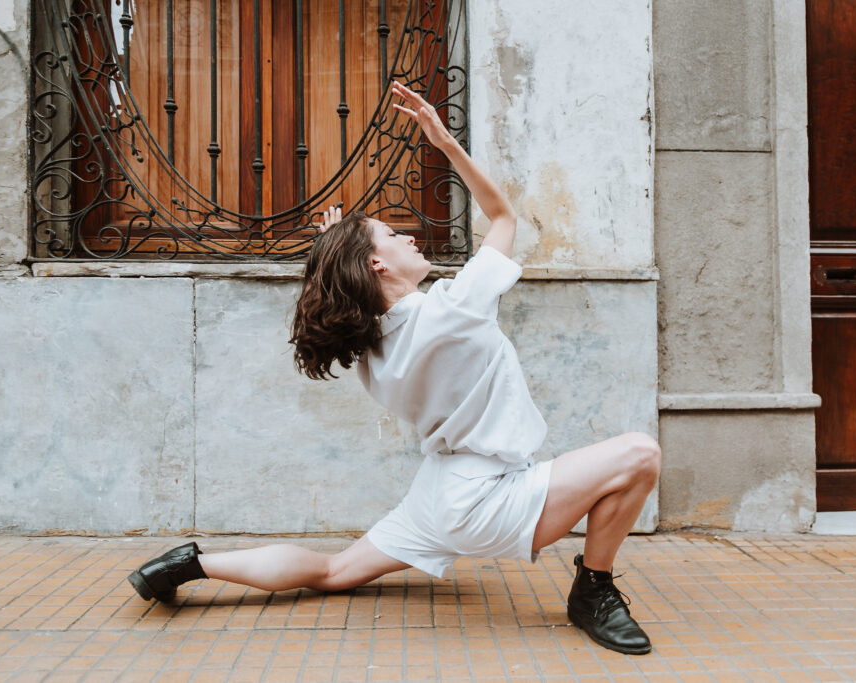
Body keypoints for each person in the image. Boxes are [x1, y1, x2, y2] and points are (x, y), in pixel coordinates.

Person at [127, 81, 661, 655]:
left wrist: (338, 246)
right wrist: (444, 143)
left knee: (332, 571)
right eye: (390, 234)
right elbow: (503, 215)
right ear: (377, 264)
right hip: (486, 498)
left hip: (439, 497)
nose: (407, 234)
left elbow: (362, 285)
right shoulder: (455, 307)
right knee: (639, 455)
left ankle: (189, 565)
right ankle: (594, 589)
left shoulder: (368, 350)